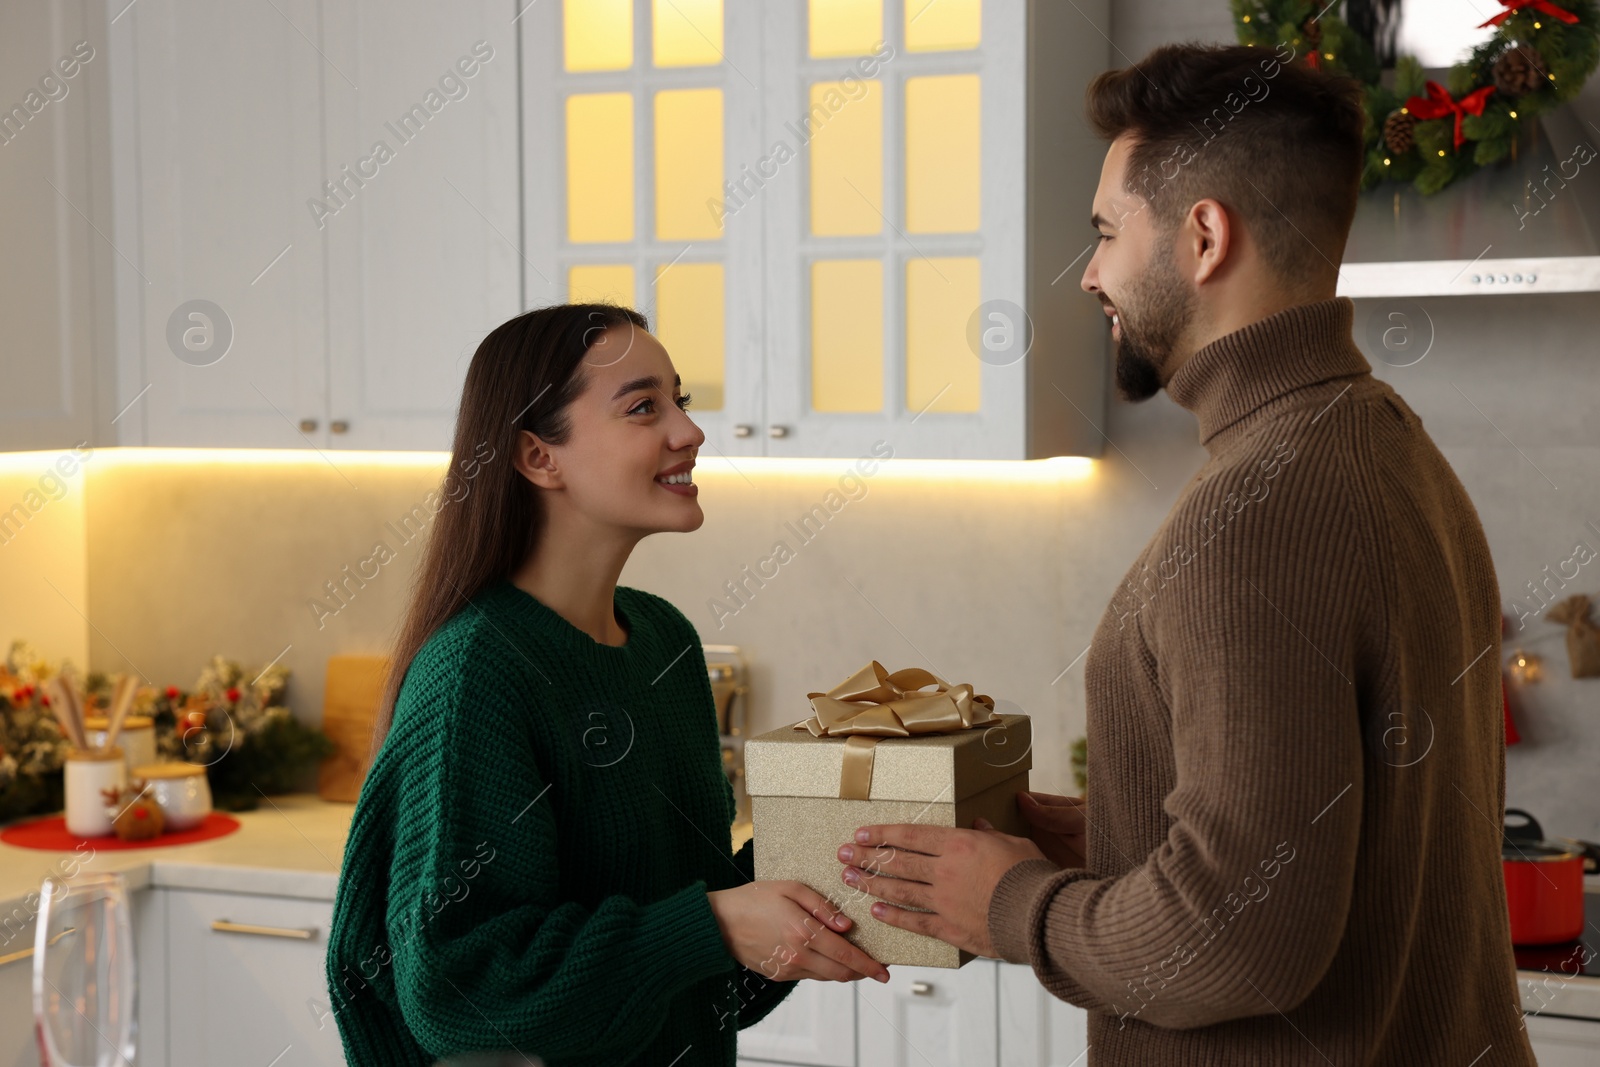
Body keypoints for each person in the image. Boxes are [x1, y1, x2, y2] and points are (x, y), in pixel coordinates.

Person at [834, 42, 1537, 1064]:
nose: (1090, 273)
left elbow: (1238, 939)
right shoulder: (1385, 440)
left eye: (1108, 232)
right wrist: (1118, 839)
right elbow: (1331, 829)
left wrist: (1013, 903)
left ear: (1204, 236)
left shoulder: (1253, 513)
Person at [325, 303, 889, 1067]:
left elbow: (691, 971)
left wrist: (854, 844)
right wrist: (715, 924)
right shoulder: (478, 673)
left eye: (679, 400)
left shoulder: (665, 642)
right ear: (538, 456)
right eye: (643, 407)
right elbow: (458, 986)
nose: (689, 431)